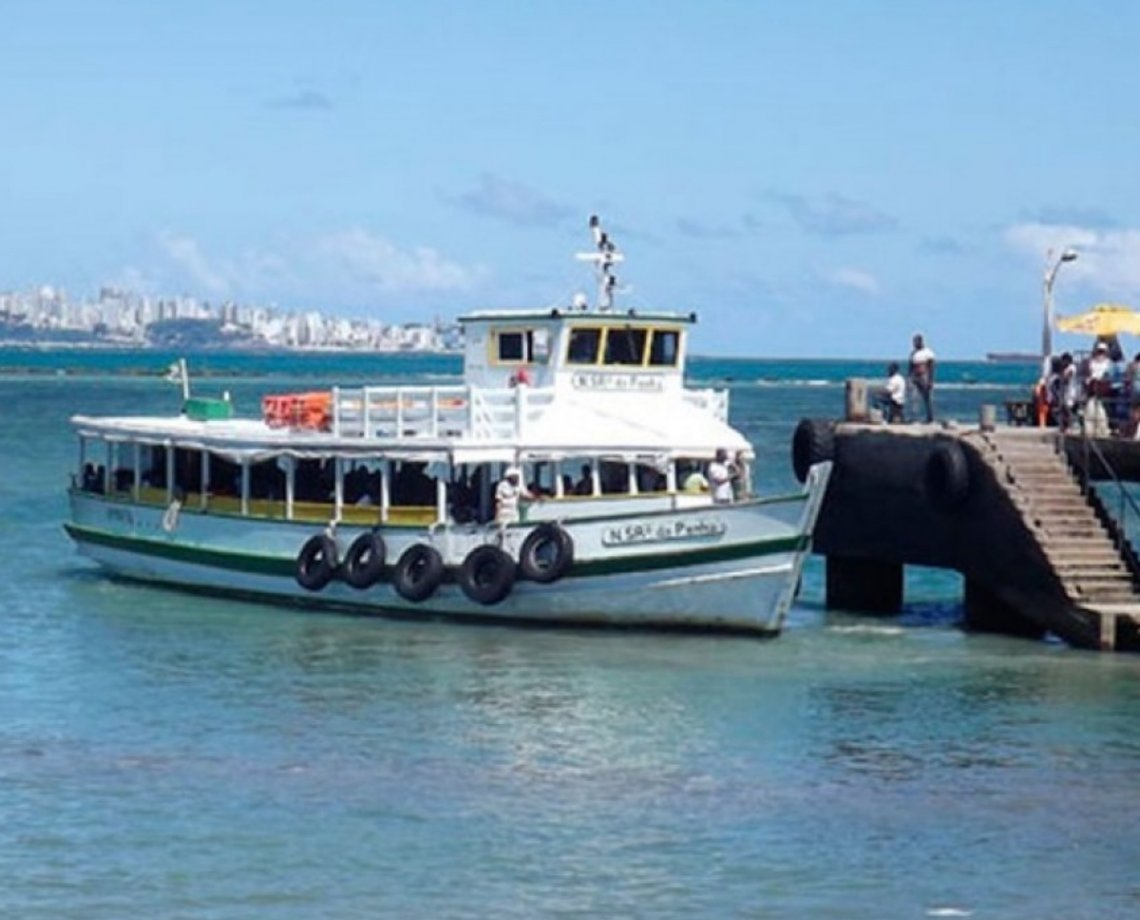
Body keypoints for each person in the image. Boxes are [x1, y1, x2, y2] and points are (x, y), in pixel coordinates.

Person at [909, 333, 936, 423]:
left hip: (924, 375)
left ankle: (930, 416)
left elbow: (931, 366)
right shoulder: (913, 353)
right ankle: (914, 417)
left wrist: (930, 379)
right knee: (914, 397)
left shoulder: (928, 352)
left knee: (927, 397)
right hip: (915, 376)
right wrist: (910, 377)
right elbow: (911, 365)